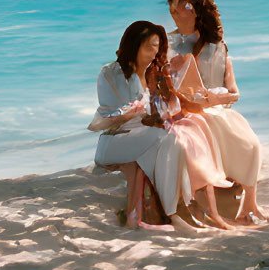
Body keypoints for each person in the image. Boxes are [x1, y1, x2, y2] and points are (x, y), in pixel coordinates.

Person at [88, 20, 233, 231]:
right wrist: (133, 110)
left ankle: (169, 213)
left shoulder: (153, 73)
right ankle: (172, 214)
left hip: (145, 136)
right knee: (169, 139)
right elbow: (107, 115)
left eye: (156, 47)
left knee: (174, 139)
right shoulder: (110, 73)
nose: (153, 52)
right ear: (133, 45)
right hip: (115, 139)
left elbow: (168, 108)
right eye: (148, 46)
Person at [166, 0, 269, 224]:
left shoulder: (217, 46)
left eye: (190, 1)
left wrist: (216, 98)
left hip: (217, 109)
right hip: (186, 111)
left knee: (252, 144)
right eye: (181, 2)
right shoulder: (166, 44)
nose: (188, 6)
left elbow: (235, 92)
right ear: (172, 11)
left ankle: (250, 203)